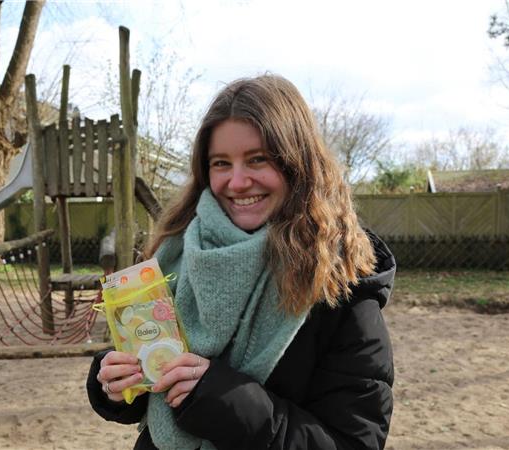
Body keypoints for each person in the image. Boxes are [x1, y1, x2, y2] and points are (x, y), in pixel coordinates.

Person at [86, 74, 395, 450]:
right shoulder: (175, 252)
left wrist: (224, 401)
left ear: (299, 165)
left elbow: (355, 442)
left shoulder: (339, 285)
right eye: (220, 163)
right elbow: (151, 383)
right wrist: (113, 385)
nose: (236, 181)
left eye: (257, 160)